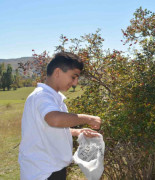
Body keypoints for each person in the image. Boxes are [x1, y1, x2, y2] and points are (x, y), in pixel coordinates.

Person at [19, 52, 102, 180]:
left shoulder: (53, 98)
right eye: (73, 77)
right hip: (43, 173)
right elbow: (55, 120)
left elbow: (49, 129)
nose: (75, 83)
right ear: (57, 72)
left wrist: (76, 131)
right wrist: (88, 118)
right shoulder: (42, 96)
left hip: (51, 169)